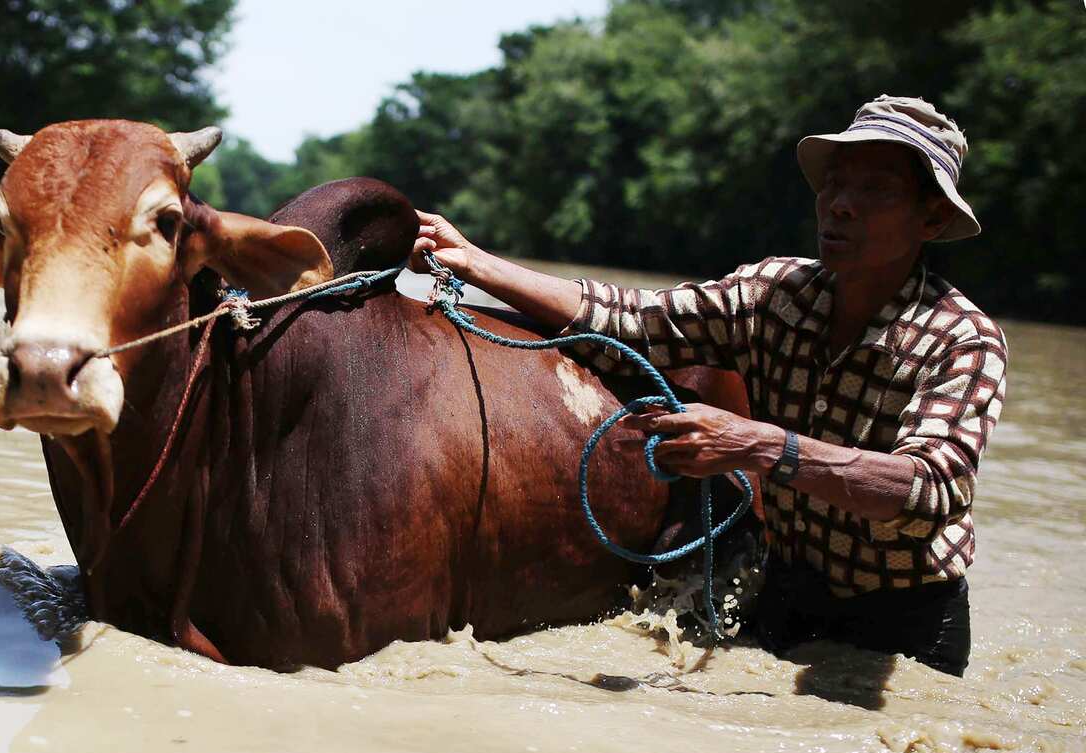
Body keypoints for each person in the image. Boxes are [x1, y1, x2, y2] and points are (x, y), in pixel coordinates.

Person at [410, 95, 1007, 677]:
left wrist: (759, 445)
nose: (840, 205)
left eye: (874, 189)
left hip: (905, 627)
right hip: (787, 598)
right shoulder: (774, 294)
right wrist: (473, 261)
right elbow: (631, 319)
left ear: (930, 218)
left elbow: (929, 488)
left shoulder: (964, 340)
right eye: (834, 183)